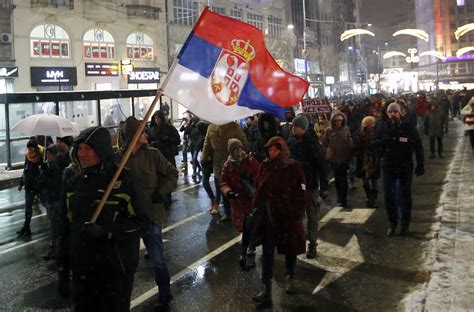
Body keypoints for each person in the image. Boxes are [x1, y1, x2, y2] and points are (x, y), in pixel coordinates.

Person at [56, 126, 143, 311]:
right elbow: (63, 227)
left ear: (101, 149)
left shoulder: (124, 181)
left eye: (88, 148)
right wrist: (63, 268)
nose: (82, 154)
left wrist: (107, 231)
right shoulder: (74, 184)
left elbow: (142, 221)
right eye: (79, 149)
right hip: (83, 270)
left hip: (115, 270)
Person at [120, 117, 179, 311]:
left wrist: (161, 193)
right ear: (133, 136)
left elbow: (172, 173)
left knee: (158, 260)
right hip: (128, 219)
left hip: (151, 216)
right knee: (126, 265)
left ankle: (165, 293)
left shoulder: (153, 155)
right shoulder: (119, 159)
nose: (147, 134)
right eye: (142, 132)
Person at [250, 136, 307, 306]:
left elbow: (301, 188)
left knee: (290, 249)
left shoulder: (293, 166)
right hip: (268, 217)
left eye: (275, 149)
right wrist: (257, 206)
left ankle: (289, 277)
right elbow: (258, 185)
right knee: (267, 253)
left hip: (287, 216)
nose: (272, 152)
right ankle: (266, 288)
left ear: (282, 150)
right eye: (269, 149)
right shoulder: (265, 166)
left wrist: (297, 210)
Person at [372, 103, 425, 237]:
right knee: (389, 196)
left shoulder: (408, 127)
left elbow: (418, 145)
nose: (393, 114)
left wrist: (420, 164)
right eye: (391, 112)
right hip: (389, 166)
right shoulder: (382, 127)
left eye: (395, 112)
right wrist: (382, 145)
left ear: (400, 113)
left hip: (405, 166)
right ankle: (393, 223)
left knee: (405, 195)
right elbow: (373, 144)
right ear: (388, 113)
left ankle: (405, 224)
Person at [288, 114, 328, 259]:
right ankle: (297, 240)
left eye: (295, 127)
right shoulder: (291, 140)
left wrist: (324, 186)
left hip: (310, 184)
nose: (293, 129)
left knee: (311, 216)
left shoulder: (312, 142)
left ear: (302, 129)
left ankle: (312, 244)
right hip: (295, 185)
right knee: (296, 215)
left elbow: (321, 165)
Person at [220, 138, 260, 269]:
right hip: (237, 200)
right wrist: (228, 192)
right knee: (242, 225)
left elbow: (260, 173)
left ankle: (249, 247)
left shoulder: (249, 161)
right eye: (236, 149)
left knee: (250, 224)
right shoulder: (228, 165)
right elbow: (223, 182)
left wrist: (252, 180)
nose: (239, 151)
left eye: (240, 148)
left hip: (249, 199)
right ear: (231, 151)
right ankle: (247, 245)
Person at [201, 122, 247, 221]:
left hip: (232, 161)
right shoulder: (212, 127)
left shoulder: (234, 126)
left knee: (232, 187)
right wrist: (204, 159)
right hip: (218, 162)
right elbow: (207, 144)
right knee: (222, 186)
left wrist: (243, 157)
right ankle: (228, 212)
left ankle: (235, 211)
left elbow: (243, 143)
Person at [17, 138, 46, 236]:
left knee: (47, 205)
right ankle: (26, 228)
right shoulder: (28, 156)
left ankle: (56, 223)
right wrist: (22, 182)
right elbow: (25, 169)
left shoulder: (41, 157)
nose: (29, 151)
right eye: (28, 149)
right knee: (28, 208)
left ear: (36, 149)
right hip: (29, 186)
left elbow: (42, 172)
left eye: (31, 149)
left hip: (38, 187)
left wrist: (41, 166)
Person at [323, 112, 353, 209]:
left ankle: (344, 199)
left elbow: (350, 141)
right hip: (334, 158)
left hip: (344, 158)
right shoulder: (329, 130)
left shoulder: (346, 129)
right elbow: (325, 143)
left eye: (340, 120)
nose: (338, 122)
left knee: (343, 179)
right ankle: (339, 196)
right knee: (338, 178)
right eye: (336, 121)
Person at [353, 116, 381, 208]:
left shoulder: (377, 134)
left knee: (374, 182)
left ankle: (374, 198)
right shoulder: (359, 134)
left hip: (374, 160)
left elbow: (379, 145)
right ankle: (369, 197)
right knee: (366, 182)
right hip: (363, 161)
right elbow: (355, 146)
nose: (372, 127)